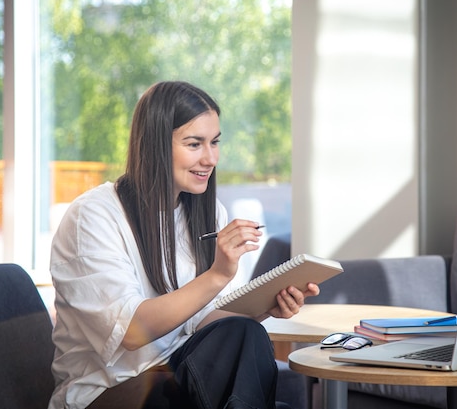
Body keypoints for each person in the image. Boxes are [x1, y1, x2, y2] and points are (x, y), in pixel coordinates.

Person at [47, 81, 320, 409]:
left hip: (183, 375)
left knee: (244, 330)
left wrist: (265, 306)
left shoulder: (205, 211)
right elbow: (132, 332)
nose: (210, 158)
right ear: (155, 145)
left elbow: (197, 321)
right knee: (241, 338)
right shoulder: (93, 216)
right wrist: (218, 275)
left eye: (215, 143)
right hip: (112, 392)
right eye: (195, 144)